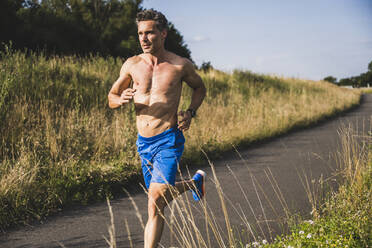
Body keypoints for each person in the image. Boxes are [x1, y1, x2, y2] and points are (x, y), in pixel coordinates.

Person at [107, 9, 207, 248]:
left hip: (168, 139)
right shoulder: (131, 65)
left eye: (149, 32)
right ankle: (194, 184)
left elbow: (200, 88)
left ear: (163, 33)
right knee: (158, 203)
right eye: (140, 33)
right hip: (144, 142)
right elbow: (111, 96)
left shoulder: (180, 65)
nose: (143, 38)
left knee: (154, 199)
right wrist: (119, 100)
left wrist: (190, 112)